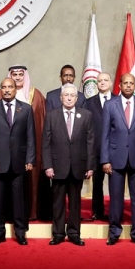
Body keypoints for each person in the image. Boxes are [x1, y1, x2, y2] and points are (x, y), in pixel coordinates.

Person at [100, 73, 135, 246]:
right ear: (120, 85)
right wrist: (105, 160)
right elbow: (105, 135)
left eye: (131, 83)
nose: (129, 86)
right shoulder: (110, 105)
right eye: (125, 83)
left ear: (134, 86)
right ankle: (114, 232)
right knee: (116, 199)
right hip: (115, 159)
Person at [0, 78, 35, 246]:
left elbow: (31, 137)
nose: (6, 90)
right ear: (0, 89)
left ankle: (20, 233)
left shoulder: (26, 109)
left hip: (19, 162)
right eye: (3, 87)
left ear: (15, 89)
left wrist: (30, 158)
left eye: (10, 87)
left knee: (19, 201)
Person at [0, 65, 45, 221]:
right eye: (14, 74)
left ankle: (27, 216)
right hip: (2, 154)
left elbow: (39, 126)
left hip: (26, 152)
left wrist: (31, 156)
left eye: (21, 74)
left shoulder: (36, 95)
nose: (18, 77)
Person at [43, 84, 94, 246]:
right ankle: (58, 233)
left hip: (78, 166)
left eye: (72, 95)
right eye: (66, 95)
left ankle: (74, 233)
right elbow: (46, 143)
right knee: (57, 202)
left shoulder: (86, 115)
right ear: (61, 97)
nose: (69, 98)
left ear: (77, 98)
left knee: (75, 203)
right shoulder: (51, 115)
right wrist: (48, 165)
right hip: (57, 166)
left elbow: (90, 142)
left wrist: (90, 166)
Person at [84, 71, 112, 221]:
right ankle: (97, 211)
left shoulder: (118, 100)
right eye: (100, 80)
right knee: (97, 184)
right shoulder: (89, 102)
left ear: (111, 83)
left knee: (115, 184)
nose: (102, 83)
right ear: (96, 84)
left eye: (105, 80)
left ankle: (115, 212)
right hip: (96, 149)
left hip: (114, 150)